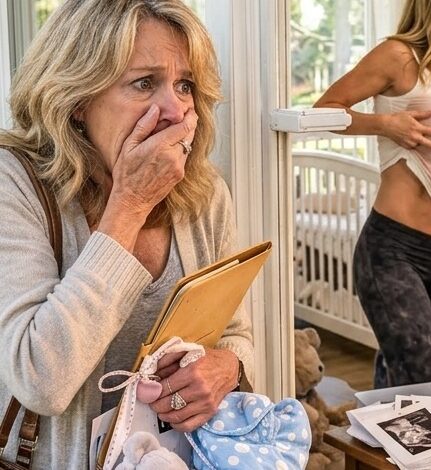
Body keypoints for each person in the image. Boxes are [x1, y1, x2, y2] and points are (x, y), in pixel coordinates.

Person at [0, 1, 254, 468]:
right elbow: (41, 380)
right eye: (144, 83)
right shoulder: (12, 184)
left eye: (185, 85)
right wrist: (131, 203)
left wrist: (230, 367)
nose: (175, 110)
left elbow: (234, 333)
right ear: (77, 99)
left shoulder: (205, 193)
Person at [314, 0, 431, 388]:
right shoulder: (400, 57)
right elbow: (323, 110)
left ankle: (375, 428)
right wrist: (386, 124)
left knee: (416, 377)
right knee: (425, 380)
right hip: (394, 251)